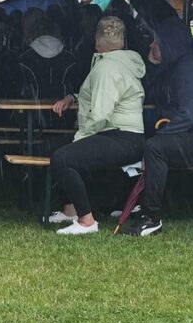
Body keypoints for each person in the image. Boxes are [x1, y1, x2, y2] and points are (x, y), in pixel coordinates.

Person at [125, 17, 193, 236]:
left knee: (156, 148)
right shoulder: (177, 66)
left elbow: (188, 114)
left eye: (156, 42)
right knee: (148, 141)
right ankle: (139, 205)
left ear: (168, 45)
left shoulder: (189, 69)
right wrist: (153, 65)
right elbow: (153, 93)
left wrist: (163, 133)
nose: (151, 45)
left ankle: (151, 217)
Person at [48, 17, 146, 235]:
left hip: (119, 137)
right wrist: (73, 97)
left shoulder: (106, 68)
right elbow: (98, 93)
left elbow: (101, 113)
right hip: (126, 136)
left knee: (63, 158)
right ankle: (70, 209)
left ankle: (86, 220)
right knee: (54, 147)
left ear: (96, 41)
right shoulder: (121, 62)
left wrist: (80, 137)